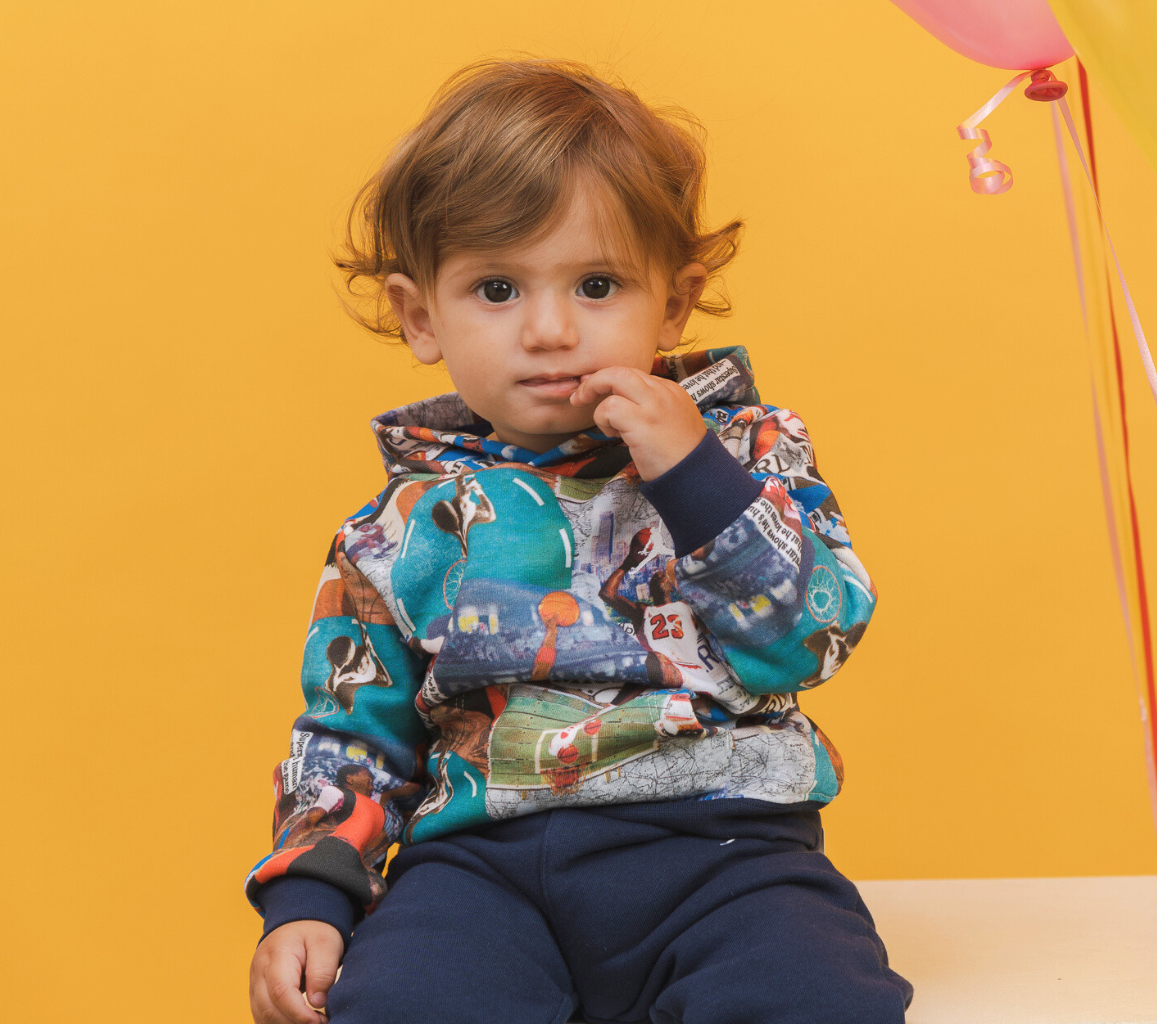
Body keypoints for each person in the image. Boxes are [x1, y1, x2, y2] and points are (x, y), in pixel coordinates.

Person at [244, 58, 906, 1024]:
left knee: (810, 994)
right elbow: (352, 732)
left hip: (725, 854)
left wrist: (696, 479)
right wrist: (310, 893)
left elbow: (811, 639)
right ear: (421, 317)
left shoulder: (746, 455)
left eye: (597, 284)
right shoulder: (400, 527)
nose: (551, 329)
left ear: (672, 304)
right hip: (481, 871)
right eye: (497, 288)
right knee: (397, 1002)